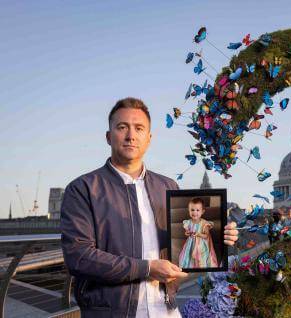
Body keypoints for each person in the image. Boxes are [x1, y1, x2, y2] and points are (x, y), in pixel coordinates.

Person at [60, 98, 239, 317]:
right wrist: (147, 268)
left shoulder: (168, 186)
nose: (130, 136)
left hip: (166, 308)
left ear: (149, 139)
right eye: (122, 127)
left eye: (139, 128)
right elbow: (79, 257)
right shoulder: (83, 189)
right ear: (108, 137)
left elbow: (181, 245)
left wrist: (219, 236)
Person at [178, 197, 218, 268]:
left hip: (201, 245)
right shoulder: (188, 222)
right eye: (192, 210)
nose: (194, 212)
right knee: (188, 255)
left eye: (197, 210)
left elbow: (206, 236)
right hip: (191, 243)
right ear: (189, 210)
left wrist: (198, 234)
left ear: (202, 212)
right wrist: (187, 233)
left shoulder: (204, 223)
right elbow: (186, 233)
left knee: (201, 257)